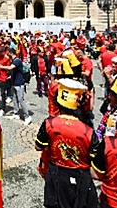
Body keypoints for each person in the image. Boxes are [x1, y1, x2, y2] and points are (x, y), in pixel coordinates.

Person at [35, 78, 99, 208]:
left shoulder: (49, 124)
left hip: (56, 173)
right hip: (81, 176)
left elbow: (38, 146)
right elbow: (95, 160)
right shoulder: (89, 132)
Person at [0, 48, 30, 124]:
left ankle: (27, 116)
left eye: (8, 52)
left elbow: (10, 68)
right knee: (14, 99)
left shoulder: (17, 60)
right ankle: (16, 113)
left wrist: (0, 66)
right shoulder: (13, 60)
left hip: (19, 83)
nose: (7, 54)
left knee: (21, 99)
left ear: (11, 53)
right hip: (14, 82)